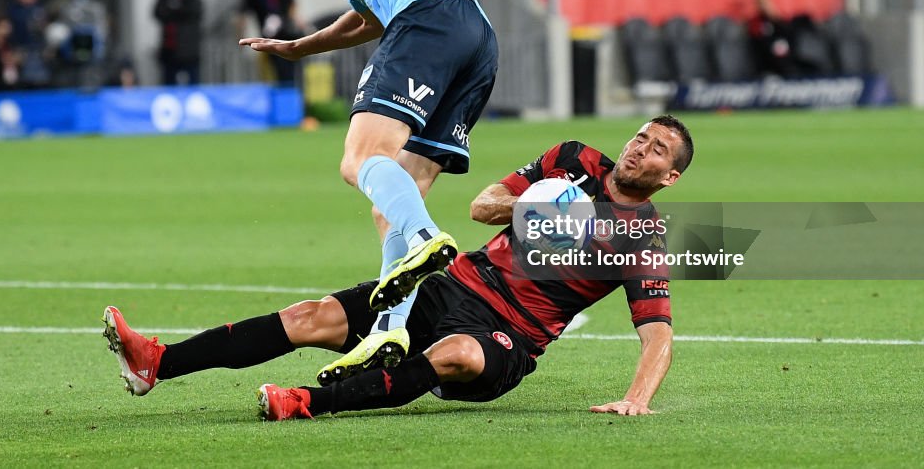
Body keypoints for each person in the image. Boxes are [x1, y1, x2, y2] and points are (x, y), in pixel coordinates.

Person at [102, 115, 693, 420]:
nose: (641, 148)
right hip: (451, 285)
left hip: (509, 336)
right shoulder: (573, 160)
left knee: (459, 352)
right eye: (642, 136)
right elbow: (481, 204)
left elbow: (658, 334)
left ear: (669, 177)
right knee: (311, 317)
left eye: (658, 150)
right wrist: (536, 207)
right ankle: (157, 362)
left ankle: (308, 402)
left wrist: (636, 398)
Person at [189, 0, 500, 382]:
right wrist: (299, 47)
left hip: (428, 19)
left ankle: (428, 239)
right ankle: (389, 330)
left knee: (359, 160)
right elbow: (367, 19)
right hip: (473, 39)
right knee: (395, 196)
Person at [240, 0, 306, 87]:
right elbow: (244, 12)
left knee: (294, 71)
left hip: (287, 34)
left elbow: (292, 4)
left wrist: (297, 21)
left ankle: (293, 96)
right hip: (270, 38)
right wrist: (241, 33)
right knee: (278, 72)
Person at [154, 0, 204, 86]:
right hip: (170, 50)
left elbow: (193, 12)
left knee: (193, 87)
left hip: (189, 51)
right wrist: (176, 9)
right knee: (169, 86)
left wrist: (173, 9)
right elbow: (157, 11)